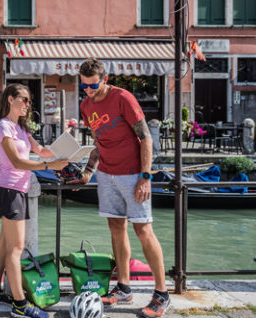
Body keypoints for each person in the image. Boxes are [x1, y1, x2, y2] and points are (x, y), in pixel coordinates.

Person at [73, 58, 170, 318]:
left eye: (92, 86)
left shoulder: (123, 98)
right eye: (83, 86)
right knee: (116, 227)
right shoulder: (85, 105)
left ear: (104, 79)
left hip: (132, 175)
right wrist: (87, 173)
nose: (88, 91)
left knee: (143, 229)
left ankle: (161, 293)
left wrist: (146, 176)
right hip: (106, 174)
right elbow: (99, 143)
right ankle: (124, 288)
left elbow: (146, 137)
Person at [0, 83, 68, 318]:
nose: (28, 104)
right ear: (10, 99)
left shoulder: (21, 127)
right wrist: (50, 166)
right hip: (10, 190)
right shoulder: (3, 128)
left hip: (18, 190)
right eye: (24, 99)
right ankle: (20, 304)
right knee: (15, 249)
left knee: (4, 243)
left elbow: (41, 151)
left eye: (29, 101)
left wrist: (67, 150)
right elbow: (18, 163)